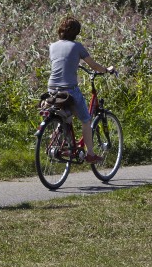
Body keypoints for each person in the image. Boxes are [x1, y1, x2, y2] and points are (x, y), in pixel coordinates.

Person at [48, 15, 114, 163]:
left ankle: (60, 141)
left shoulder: (52, 46)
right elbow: (94, 66)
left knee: (66, 115)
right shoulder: (77, 47)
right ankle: (90, 154)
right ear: (76, 33)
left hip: (52, 89)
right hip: (69, 90)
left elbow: (61, 62)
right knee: (86, 119)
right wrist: (106, 69)